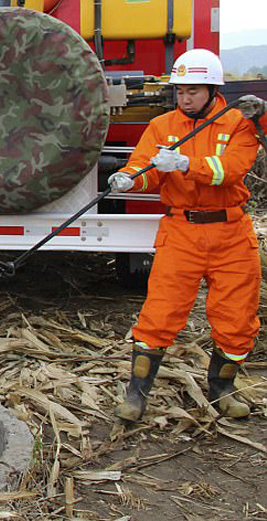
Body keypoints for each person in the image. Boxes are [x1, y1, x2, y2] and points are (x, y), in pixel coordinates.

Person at [107, 49, 261, 422]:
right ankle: (136, 397)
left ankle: (222, 392)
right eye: (180, 91)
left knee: (237, 319)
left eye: (192, 91)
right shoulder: (162, 127)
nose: (185, 98)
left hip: (231, 233)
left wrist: (186, 163)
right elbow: (146, 169)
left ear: (211, 89)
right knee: (159, 315)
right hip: (181, 231)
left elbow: (233, 170)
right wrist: (130, 178)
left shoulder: (237, 123)